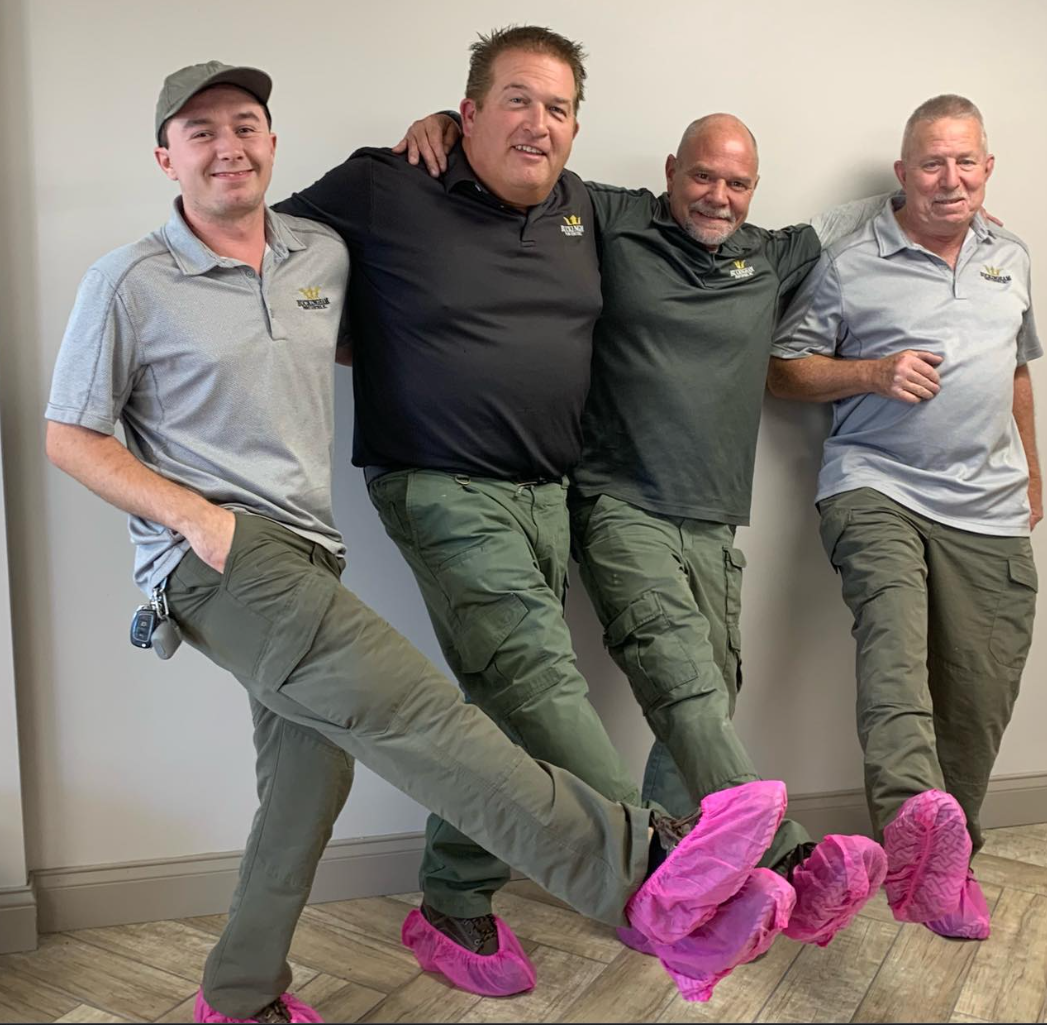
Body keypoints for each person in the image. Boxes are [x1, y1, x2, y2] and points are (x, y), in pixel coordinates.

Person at [45, 60, 793, 1023]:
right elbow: (70, 434)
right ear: (165, 157)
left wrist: (447, 120)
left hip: (310, 552)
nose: (227, 146)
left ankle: (236, 998)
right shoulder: (129, 280)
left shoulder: (316, 253)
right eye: (200, 132)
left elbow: (412, 305)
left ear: (272, 144)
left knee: (309, 782)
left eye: (245, 125)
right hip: (215, 559)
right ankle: (644, 872)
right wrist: (195, 517)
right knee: (425, 716)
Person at [276, 26, 810, 999]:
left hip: (550, 495)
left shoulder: (582, 209)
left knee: (507, 707)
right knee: (543, 683)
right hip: (440, 486)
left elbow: (691, 233)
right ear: (467, 112)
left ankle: (451, 902)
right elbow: (269, 259)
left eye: (558, 107)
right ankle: (670, 882)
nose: (540, 123)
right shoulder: (388, 183)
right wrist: (367, 341)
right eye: (515, 99)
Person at [398, 104, 890, 961]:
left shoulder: (774, 253)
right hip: (615, 500)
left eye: (736, 182)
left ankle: (545, 881)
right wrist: (448, 120)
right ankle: (786, 852)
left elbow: (860, 227)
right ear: (670, 170)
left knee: (691, 695)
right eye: (702, 175)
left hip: (713, 516)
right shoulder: (611, 216)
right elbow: (526, 159)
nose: (716, 195)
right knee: (683, 683)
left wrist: (948, 211)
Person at [768, 94, 1040, 941]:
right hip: (875, 485)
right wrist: (872, 374)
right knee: (894, 651)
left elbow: (1017, 372)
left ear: (986, 169)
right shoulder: (852, 262)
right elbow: (783, 368)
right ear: (903, 172)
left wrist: (1033, 468)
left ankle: (939, 866)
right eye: (931, 162)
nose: (948, 178)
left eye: (964, 161)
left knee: (979, 693)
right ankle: (915, 823)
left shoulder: (1012, 256)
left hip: (990, 505)